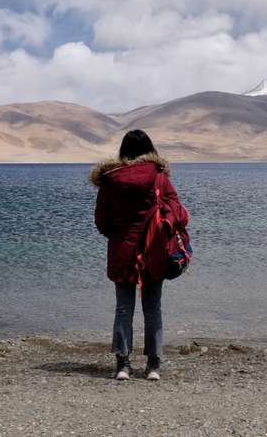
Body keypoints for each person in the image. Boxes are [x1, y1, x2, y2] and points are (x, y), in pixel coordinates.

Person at [90, 129, 185, 381]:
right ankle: (153, 365)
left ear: (123, 151)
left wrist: (120, 236)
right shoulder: (158, 177)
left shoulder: (110, 180)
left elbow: (101, 221)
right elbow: (178, 212)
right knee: (153, 307)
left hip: (122, 250)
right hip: (154, 249)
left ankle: (122, 365)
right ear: (150, 149)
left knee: (123, 308)